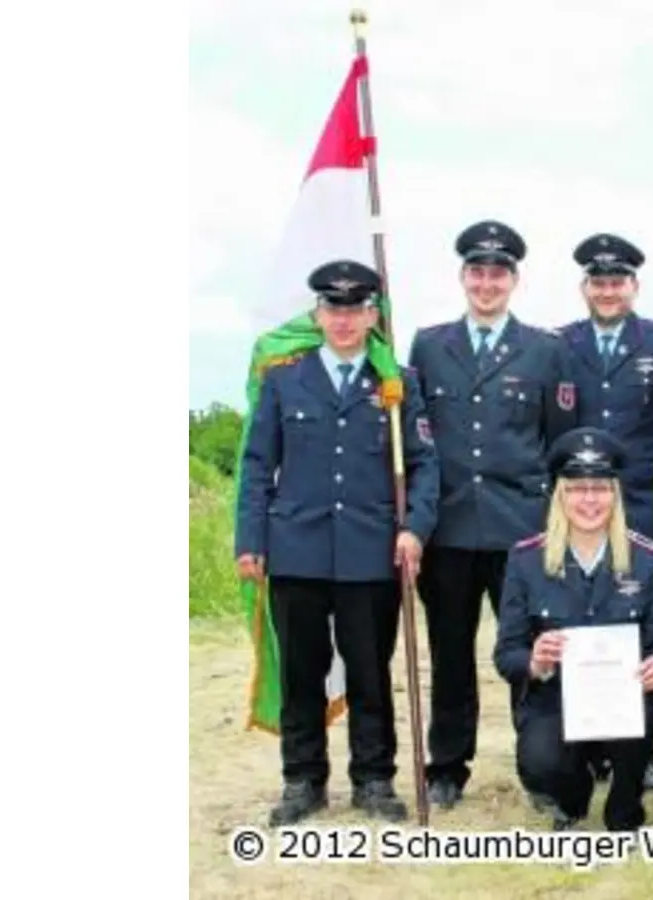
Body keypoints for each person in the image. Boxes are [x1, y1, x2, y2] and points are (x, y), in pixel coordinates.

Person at [234, 259, 440, 826]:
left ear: (374, 314)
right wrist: (250, 540)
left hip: (371, 552)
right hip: (295, 549)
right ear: (318, 314)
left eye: (356, 309)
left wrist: (413, 528)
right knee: (303, 672)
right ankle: (303, 780)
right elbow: (257, 467)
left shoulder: (397, 382)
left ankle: (374, 780)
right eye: (333, 308)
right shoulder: (284, 380)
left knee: (370, 672)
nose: (344, 319)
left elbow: (425, 466)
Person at [406, 220, 580, 810]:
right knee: (451, 651)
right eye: (477, 272)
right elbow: (419, 436)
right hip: (451, 527)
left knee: (532, 651)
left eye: (497, 273)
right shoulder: (429, 346)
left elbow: (558, 444)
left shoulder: (545, 349)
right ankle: (448, 766)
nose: (487, 283)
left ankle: (542, 767)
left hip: (521, 528)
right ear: (462, 277)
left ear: (514, 280)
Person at [491, 427, 653, 832]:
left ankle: (625, 802)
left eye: (600, 488)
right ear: (560, 495)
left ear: (615, 495)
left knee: (646, 709)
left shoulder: (647, 559)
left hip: (626, 699)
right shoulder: (527, 561)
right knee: (541, 766)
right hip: (556, 699)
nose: (590, 500)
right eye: (577, 489)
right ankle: (572, 796)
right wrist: (537, 661)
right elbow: (506, 654)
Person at [556, 233, 653, 547]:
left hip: (644, 499)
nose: (607, 293)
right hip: (580, 499)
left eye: (617, 283)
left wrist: (647, 464)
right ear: (584, 288)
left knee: (646, 592)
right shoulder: (559, 345)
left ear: (634, 287)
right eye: (598, 284)